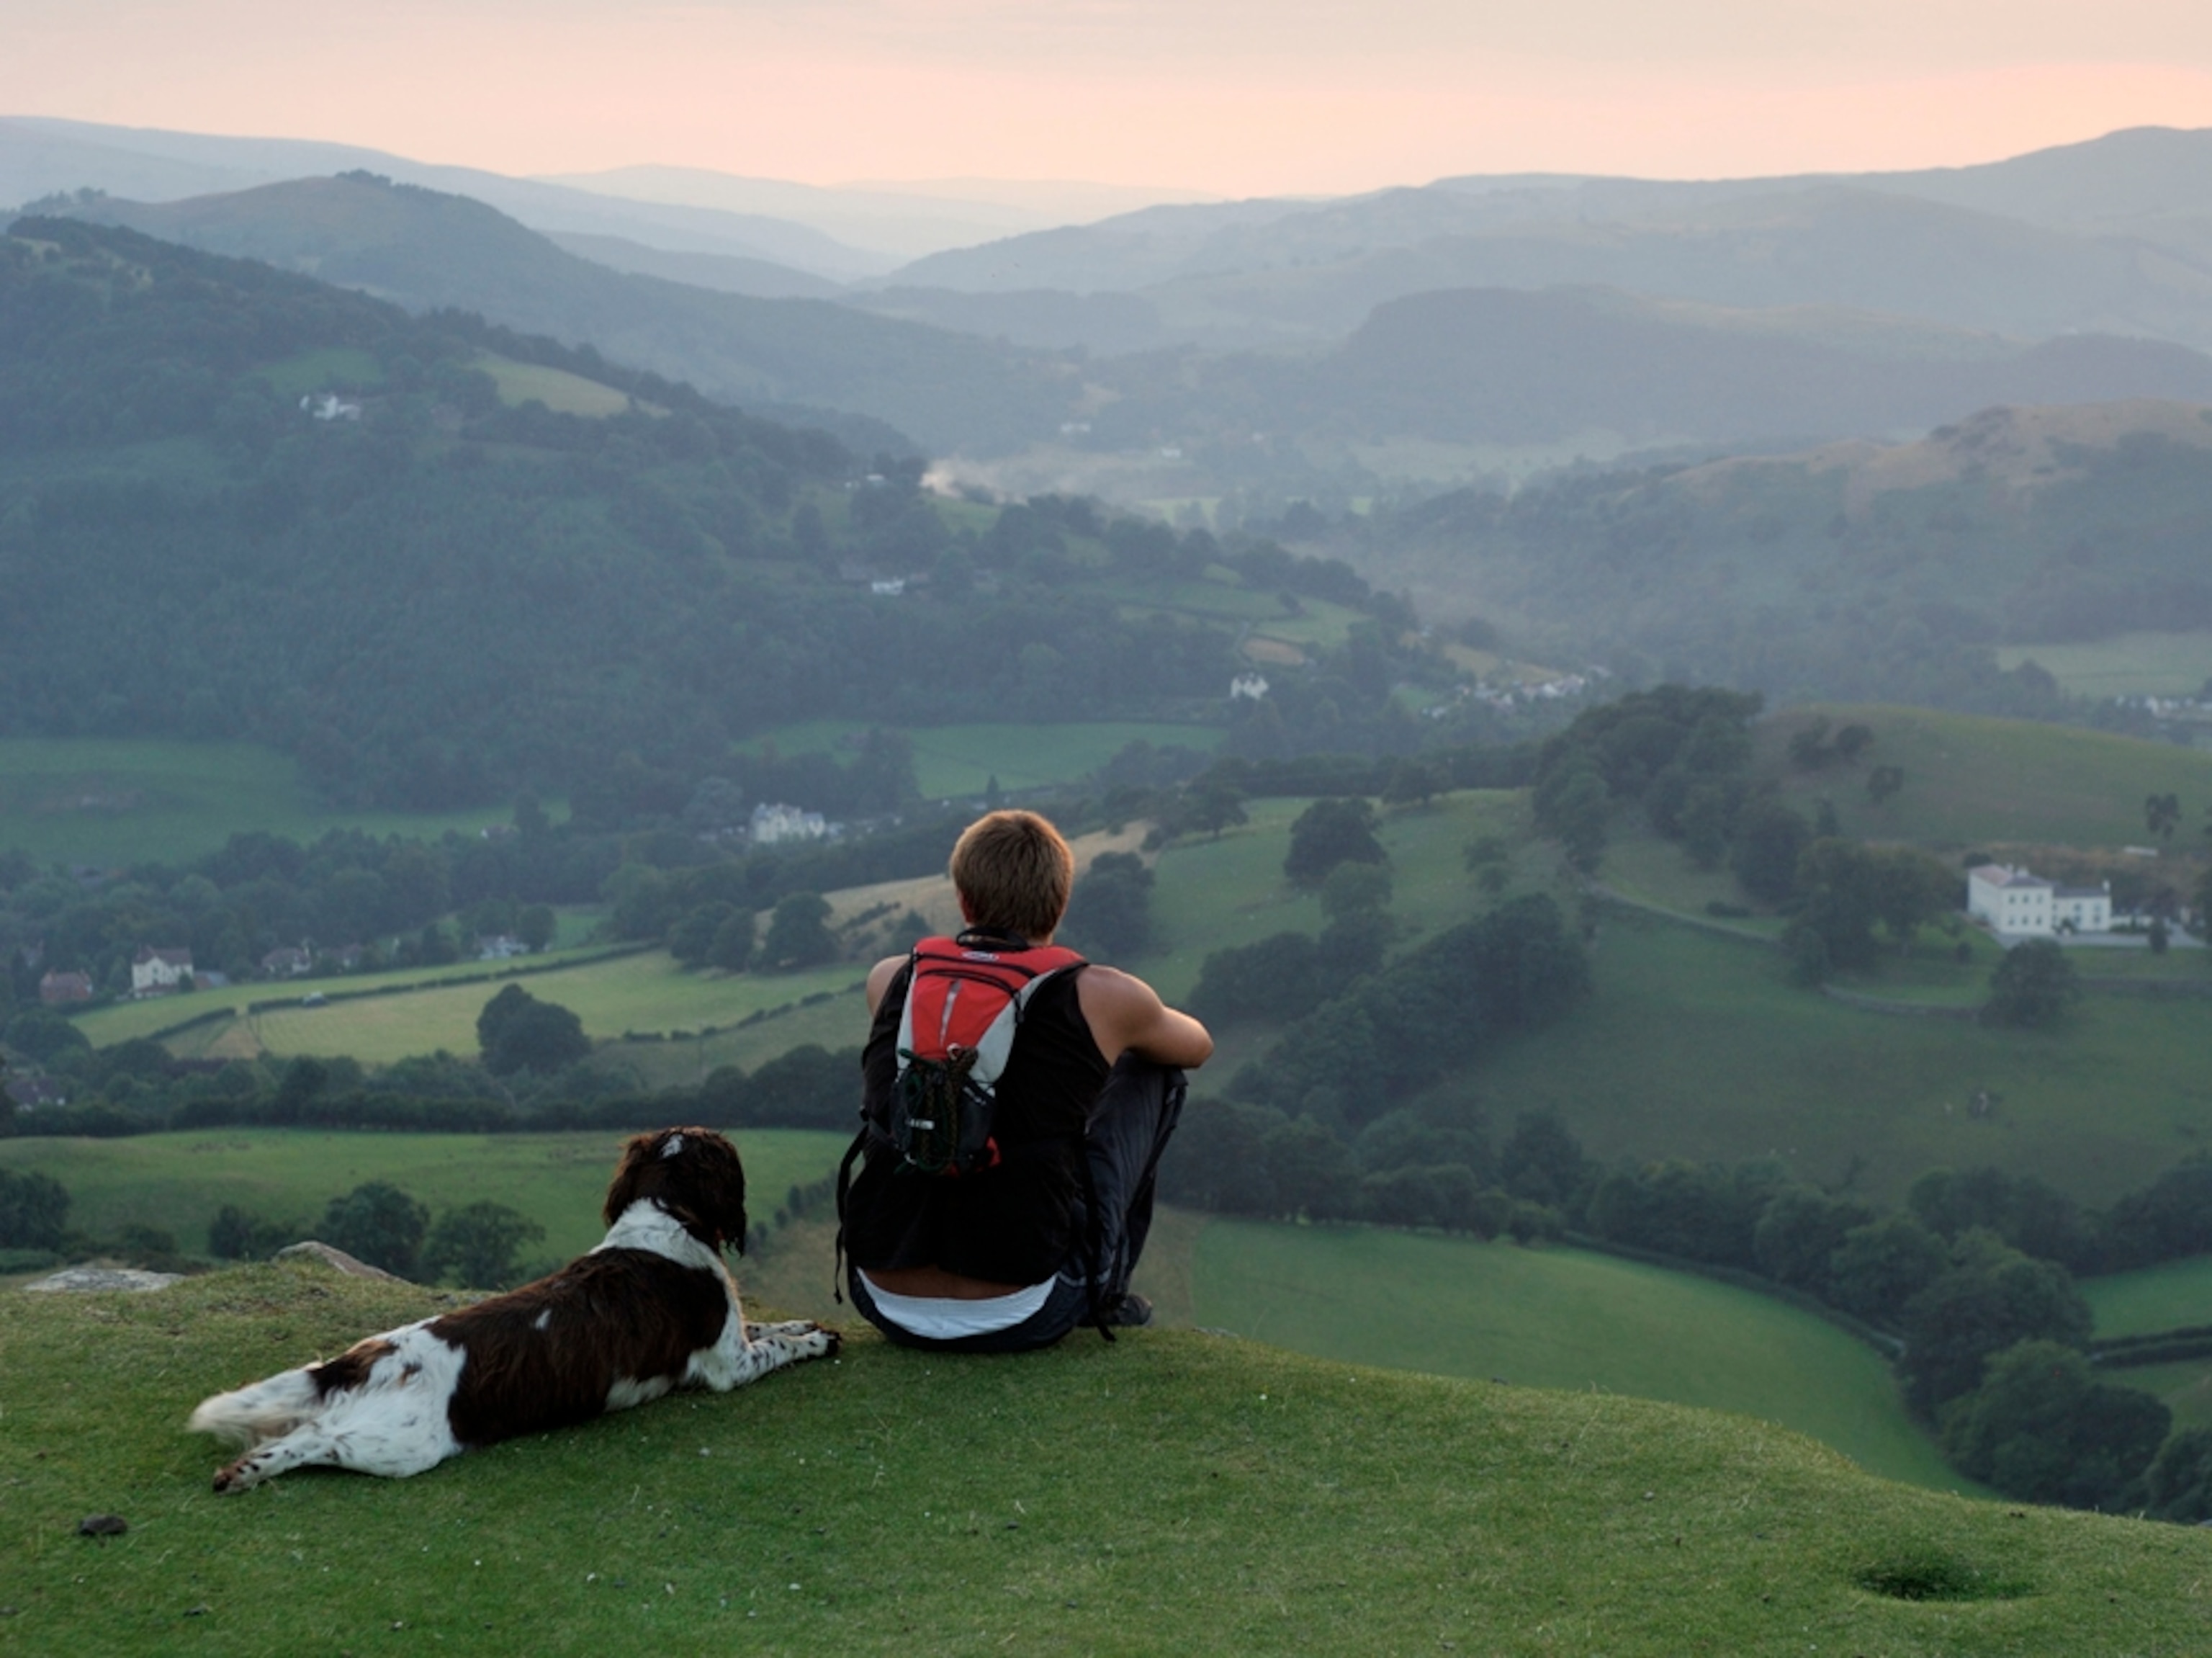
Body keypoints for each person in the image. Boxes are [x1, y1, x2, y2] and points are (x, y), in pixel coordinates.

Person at [840, 810, 1211, 1351]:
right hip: (1026, 1311)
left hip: (881, 1297)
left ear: (964, 901)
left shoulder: (893, 978)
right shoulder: (1104, 996)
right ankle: (1107, 1292)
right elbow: (1197, 1046)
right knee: (1152, 1068)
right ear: (1059, 904)